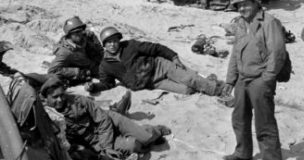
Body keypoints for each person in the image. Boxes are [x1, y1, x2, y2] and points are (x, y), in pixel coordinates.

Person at [222, 0, 286, 160]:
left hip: (260, 79)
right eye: (239, 6)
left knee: (264, 124)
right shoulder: (241, 24)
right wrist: (230, 80)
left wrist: (268, 78)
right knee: (239, 117)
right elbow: (235, 54)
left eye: (246, 4)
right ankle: (243, 152)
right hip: (242, 78)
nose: (242, 8)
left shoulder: (269, 22)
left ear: (256, 3)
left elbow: (277, 52)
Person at [40, 76, 169, 160]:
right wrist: (101, 152)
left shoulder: (79, 101)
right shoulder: (50, 117)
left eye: (62, 95)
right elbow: (70, 145)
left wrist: (106, 146)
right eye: (55, 97)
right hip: (99, 139)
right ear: (46, 99)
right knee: (133, 146)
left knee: (146, 137)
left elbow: (103, 120)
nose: (60, 99)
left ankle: (156, 130)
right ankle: (140, 140)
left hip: (112, 122)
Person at [88, 26, 229, 97]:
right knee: (187, 90)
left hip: (160, 66)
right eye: (108, 43)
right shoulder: (105, 66)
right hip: (152, 83)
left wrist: (173, 57)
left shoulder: (130, 45)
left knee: (189, 79)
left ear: (119, 40)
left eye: (114, 41)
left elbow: (155, 48)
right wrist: (95, 87)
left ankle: (218, 90)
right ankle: (206, 80)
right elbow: (108, 83)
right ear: (104, 45)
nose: (112, 45)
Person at [48, 16, 104, 86]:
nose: (80, 34)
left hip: (93, 62)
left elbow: (97, 45)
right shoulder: (65, 52)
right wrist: (76, 72)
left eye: (81, 30)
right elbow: (52, 71)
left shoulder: (87, 36)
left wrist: (101, 56)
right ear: (69, 35)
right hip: (84, 69)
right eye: (76, 32)